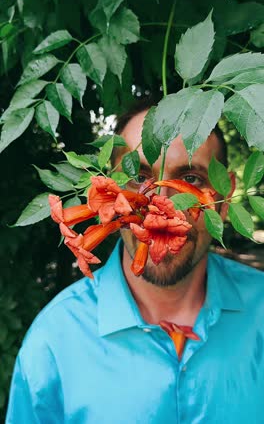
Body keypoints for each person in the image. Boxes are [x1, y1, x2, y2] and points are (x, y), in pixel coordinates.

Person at [6, 103, 264, 424]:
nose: (162, 207)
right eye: (138, 178)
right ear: (109, 192)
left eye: (191, 179)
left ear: (223, 200)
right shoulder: (54, 341)